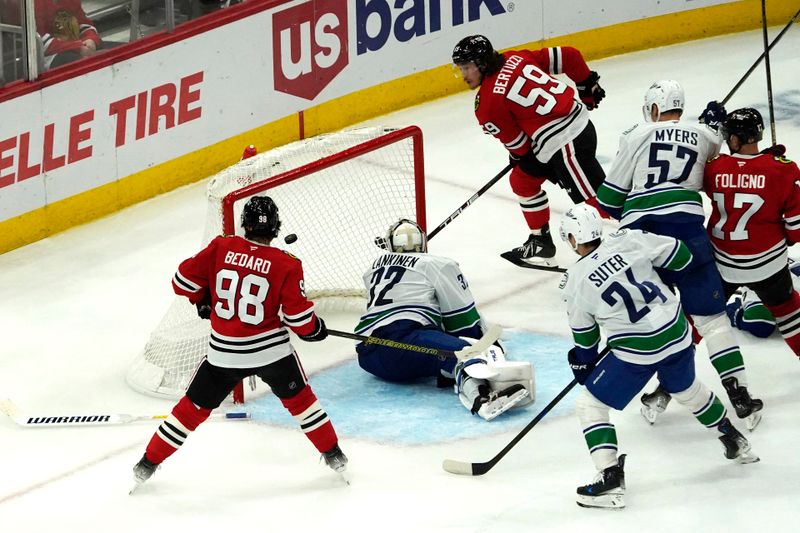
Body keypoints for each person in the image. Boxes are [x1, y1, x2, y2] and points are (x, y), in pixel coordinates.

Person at [131, 196, 347, 490]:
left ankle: (147, 464)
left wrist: (202, 297)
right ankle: (334, 456)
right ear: (275, 228)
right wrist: (315, 328)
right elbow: (299, 320)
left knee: (189, 411)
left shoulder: (222, 247)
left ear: (244, 224)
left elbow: (181, 282)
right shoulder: (287, 263)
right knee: (302, 404)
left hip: (224, 355)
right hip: (271, 354)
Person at [558, 204, 758, 510]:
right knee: (686, 389)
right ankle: (732, 436)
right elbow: (682, 256)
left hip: (638, 349)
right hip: (677, 332)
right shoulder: (628, 239)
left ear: (573, 239)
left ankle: (609, 476)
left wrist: (581, 363)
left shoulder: (575, 281)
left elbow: (586, 342)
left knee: (590, 404)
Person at [595, 80, 763, 430]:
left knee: (656, 323)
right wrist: (713, 123)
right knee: (712, 321)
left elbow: (607, 202)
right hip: (689, 234)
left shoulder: (636, 134)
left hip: (640, 240)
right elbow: (721, 151)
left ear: (654, 109)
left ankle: (659, 392)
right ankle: (740, 394)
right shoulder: (706, 136)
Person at [451, 35, 607, 268]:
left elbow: (521, 148)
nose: (463, 75)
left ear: (482, 64)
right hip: (570, 129)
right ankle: (540, 239)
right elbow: (570, 56)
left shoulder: (487, 105)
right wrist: (586, 85)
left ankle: (623, 248)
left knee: (596, 204)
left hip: (567, 142)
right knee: (522, 181)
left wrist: (522, 156)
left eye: (466, 67)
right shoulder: (516, 57)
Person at [355, 218, 533, 420]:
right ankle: (482, 398)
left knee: (443, 352)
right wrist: (475, 344)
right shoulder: (436, 264)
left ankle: (448, 370)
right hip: (405, 342)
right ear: (422, 242)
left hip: (368, 355)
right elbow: (462, 320)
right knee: (466, 352)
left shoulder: (373, 269)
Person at [703, 108, 800, 358]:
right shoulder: (782, 170)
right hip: (769, 265)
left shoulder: (713, 168)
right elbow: (797, 230)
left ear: (735, 140)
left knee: (700, 316)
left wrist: (707, 127)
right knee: (790, 316)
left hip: (722, 263)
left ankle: (669, 378)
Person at [35, 0, 108, 70]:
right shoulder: (32, 3)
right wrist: (77, 47)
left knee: (113, 51)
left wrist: (90, 39)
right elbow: (36, 41)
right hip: (47, 56)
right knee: (83, 63)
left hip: (76, 46)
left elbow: (82, 22)